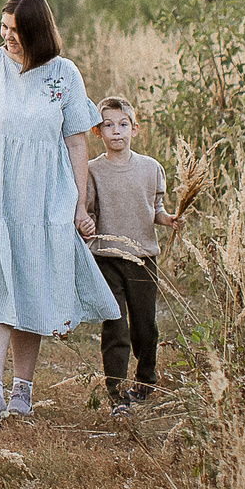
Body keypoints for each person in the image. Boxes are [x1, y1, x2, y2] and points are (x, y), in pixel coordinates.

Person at [0, 0, 121, 426]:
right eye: (3, 28)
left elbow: (76, 141)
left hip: (42, 197)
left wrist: (78, 202)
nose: (6, 37)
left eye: (15, 31)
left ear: (36, 31)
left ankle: (22, 389)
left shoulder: (63, 75)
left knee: (30, 284)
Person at [85, 95, 179, 414]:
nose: (116, 132)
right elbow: (88, 212)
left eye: (123, 125)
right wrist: (84, 225)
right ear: (98, 132)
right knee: (115, 324)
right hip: (107, 257)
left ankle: (145, 379)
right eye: (108, 125)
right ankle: (116, 391)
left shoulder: (151, 169)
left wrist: (168, 220)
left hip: (143, 258)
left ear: (135, 130)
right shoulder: (91, 171)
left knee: (145, 326)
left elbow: (156, 209)